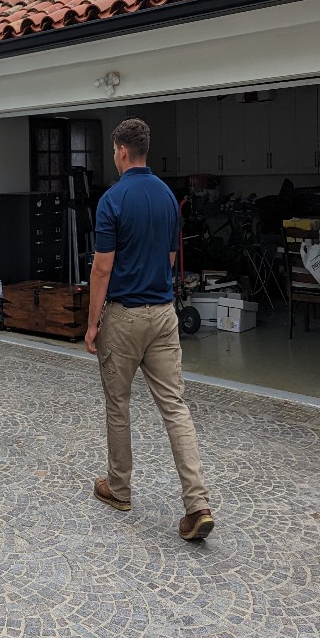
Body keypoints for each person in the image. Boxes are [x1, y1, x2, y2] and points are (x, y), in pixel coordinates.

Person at [83, 117, 214, 542]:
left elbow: (102, 267)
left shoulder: (112, 200)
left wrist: (91, 324)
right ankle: (197, 504)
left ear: (121, 151)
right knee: (175, 407)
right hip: (162, 314)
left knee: (118, 404)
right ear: (145, 150)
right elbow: (173, 258)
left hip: (123, 317)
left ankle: (119, 489)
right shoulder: (167, 197)